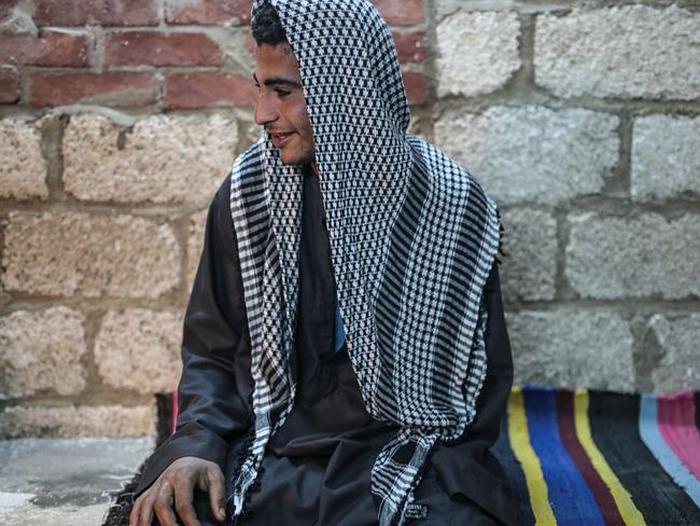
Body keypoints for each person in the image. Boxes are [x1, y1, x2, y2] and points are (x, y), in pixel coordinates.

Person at [129, 1, 515, 525]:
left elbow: (480, 384)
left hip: (410, 450)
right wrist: (198, 443)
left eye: (283, 92)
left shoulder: (450, 203)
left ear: (343, 90)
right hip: (275, 443)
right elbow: (212, 350)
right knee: (176, 511)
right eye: (259, 88)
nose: (262, 113)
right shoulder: (249, 194)